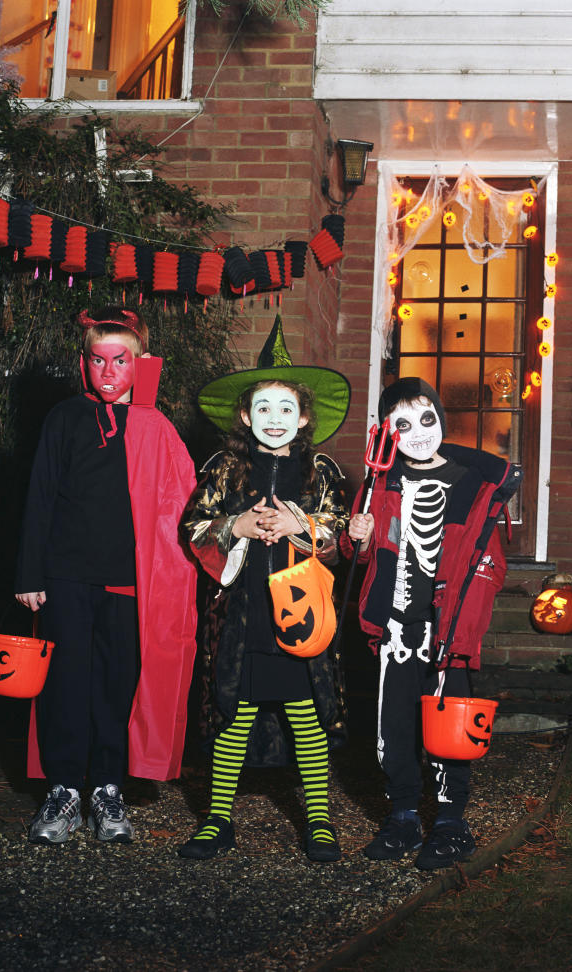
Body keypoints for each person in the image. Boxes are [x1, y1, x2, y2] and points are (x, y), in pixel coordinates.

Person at [15, 306, 198, 845]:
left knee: (118, 687)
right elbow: (40, 497)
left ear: (141, 365)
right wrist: (30, 573)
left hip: (130, 583)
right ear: (84, 364)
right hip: (66, 577)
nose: (109, 371)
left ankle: (108, 789)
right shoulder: (66, 418)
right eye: (98, 361)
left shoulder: (157, 427)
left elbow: (180, 507)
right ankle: (65, 788)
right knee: (65, 684)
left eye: (121, 361)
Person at [177, 315, 350, 863]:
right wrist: (236, 526)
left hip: (302, 613)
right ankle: (217, 819)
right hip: (244, 614)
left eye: (285, 409)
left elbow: (340, 525)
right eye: (262, 409)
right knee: (237, 711)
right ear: (246, 416)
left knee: (306, 713)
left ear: (302, 417)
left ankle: (320, 821)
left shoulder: (319, 471)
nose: (274, 420)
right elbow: (193, 526)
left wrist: (305, 526)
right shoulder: (226, 468)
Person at [344, 377, 521, 870]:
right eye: (404, 423)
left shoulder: (474, 483)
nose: (420, 432)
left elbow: (491, 563)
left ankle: (449, 822)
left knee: (450, 729)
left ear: (441, 419)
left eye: (428, 419)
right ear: (388, 433)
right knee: (393, 727)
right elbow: (362, 552)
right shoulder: (381, 482)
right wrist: (357, 537)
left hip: (448, 632)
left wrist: (465, 620)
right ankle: (401, 815)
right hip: (396, 629)